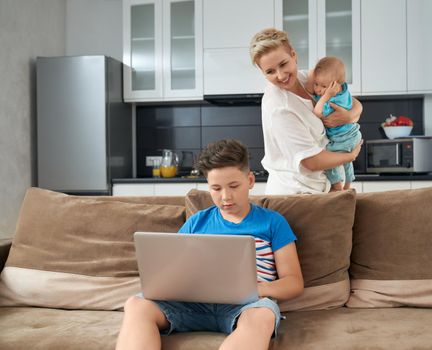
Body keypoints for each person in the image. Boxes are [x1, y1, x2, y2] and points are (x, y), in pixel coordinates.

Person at [115, 139, 304, 350]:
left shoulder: (273, 222)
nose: (225, 197)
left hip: (247, 306)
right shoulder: (197, 222)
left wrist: (258, 289)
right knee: (136, 304)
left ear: (250, 180)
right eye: (216, 188)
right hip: (192, 306)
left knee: (263, 316)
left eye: (234, 186)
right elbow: (172, 271)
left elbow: (294, 282)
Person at [249, 28, 363, 194]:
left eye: (283, 64)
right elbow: (311, 161)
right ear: (262, 72)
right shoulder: (279, 107)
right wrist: (350, 156)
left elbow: (353, 102)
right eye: (270, 71)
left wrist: (349, 116)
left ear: (293, 55)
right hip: (296, 195)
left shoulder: (305, 79)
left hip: (318, 191)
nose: (280, 76)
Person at [308, 56, 362, 191]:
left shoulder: (331, 101)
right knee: (346, 160)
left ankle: (336, 184)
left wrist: (325, 97)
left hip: (342, 138)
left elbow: (317, 113)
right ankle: (349, 183)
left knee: (329, 159)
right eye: (316, 84)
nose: (318, 90)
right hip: (353, 134)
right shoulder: (343, 91)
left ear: (335, 86)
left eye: (323, 86)